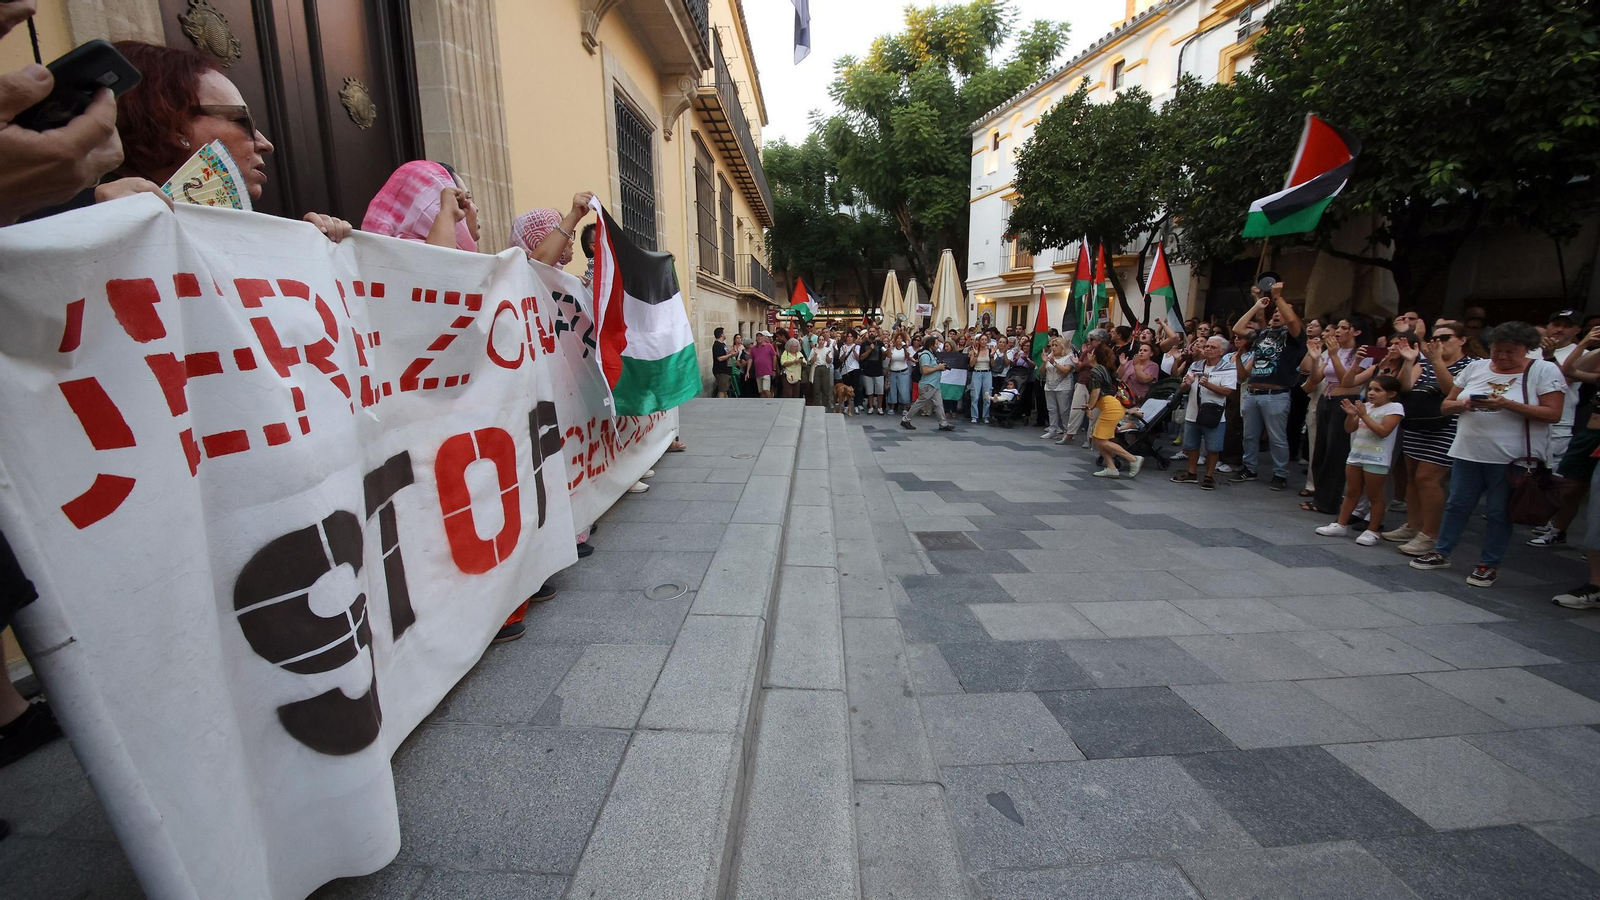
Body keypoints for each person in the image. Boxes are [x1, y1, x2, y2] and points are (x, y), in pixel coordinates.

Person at [111, 41, 350, 240]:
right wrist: (104, 224)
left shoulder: (268, 242)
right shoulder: (102, 223)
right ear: (175, 125)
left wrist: (311, 252)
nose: (266, 144)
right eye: (241, 120)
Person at [1409, 322, 1565, 586]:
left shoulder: (1543, 370)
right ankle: (1441, 551)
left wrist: (1507, 404)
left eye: (1510, 352)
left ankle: (1489, 563)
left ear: (1526, 349)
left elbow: (1553, 413)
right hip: (1468, 451)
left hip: (1511, 458)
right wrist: (1464, 404)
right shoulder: (1476, 367)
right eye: (1497, 350)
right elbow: (1447, 405)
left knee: (1497, 511)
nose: (1502, 356)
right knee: (1457, 504)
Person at [1383, 322, 1477, 555]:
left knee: (1427, 479)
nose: (1439, 343)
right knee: (1412, 478)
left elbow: (1450, 391)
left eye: (1445, 338)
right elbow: (1404, 387)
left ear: (1462, 340)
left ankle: (1430, 534)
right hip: (1418, 424)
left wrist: (1436, 362)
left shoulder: (1471, 365)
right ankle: (1413, 525)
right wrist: (1408, 361)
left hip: (1447, 426)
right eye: (1435, 338)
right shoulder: (1423, 363)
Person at [1529, 322, 1600, 548]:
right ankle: (1558, 530)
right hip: (1590, 434)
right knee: (1570, 486)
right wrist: (1586, 344)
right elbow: (1569, 370)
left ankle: (1594, 543)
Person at [1230, 282, 1306, 490]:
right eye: (1276, 311)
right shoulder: (1262, 334)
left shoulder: (1294, 337)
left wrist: (1278, 297)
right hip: (1253, 393)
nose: (1277, 314)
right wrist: (1257, 306)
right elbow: (1238, 328)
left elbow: (1292, 320)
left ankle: (1280, 473)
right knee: (1249, 436)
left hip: (1276, 394)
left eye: (1282, 311)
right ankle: (1249, 468)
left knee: (1277, 438)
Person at [1314, 375, 1406, 544]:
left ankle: (1372, 530)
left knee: (1375, 496)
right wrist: (1351, 416)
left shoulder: (1395, 408)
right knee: (1351, 492)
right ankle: (1341, 524)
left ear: (1391, 394)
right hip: (1357, 455)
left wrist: (1363, 415)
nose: (1371, 393)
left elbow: (1383, 431)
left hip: (1376, 458)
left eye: (1377, 390)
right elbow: (1349, 429)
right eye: (1370, 389)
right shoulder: (1366, 407)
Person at [1170, 335, 1236, 490]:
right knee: (1191, 445)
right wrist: (1186, 384)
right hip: (1192, 412)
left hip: (1214, 414)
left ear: (1222, 351)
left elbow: (1228, 391)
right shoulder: (1196, 365)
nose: (1208, 349)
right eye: (1207, 346)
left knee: (1213, 447)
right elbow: (1183, 387)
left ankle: (1209, 476)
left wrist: (1208, 385)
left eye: (1213, 347)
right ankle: (1192, 473)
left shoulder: (1228, 368)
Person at [367, 161, 480, 250]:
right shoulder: (405, 251)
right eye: (463, 199)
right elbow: (441, 266)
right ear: (434, 208)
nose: (475, 208)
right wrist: (448, 214)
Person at [1086, 341, 1142, 478]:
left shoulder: (1095, 371)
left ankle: (1133, 459)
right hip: (1113, 406)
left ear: (1094, 356)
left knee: (1100, 440)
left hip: (1110, 408)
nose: (1087, 354)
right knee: (1099, 438)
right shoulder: (1104, 369)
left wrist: (1089, 407)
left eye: (1090, 352)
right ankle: (1111, 467)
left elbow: (1096, 392)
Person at [900, 336, 955, 431]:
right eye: (936, 344)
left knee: (938, 404)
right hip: (928, 384)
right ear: (931, 345)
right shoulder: (925, 355)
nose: (938, 346)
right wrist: (938, 368)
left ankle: (943, 423)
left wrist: (941, 367)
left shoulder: (932, 354)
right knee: (919, 403)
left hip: (934, 384)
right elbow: (925, 370)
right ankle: (906, 419)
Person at [1041, 337, 1077, 442]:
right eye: (1052, 345)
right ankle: (1052, 430)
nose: (1053, 348)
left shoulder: (1069, 356)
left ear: (1063, 347)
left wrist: (1054, 363)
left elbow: (1066, 370)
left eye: (1056, 345)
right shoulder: (1050, 356)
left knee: (1064, 410)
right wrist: (1044, 362)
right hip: (1049, 386)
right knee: (1051, 409)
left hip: (1063, 387)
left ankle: (1067, 432)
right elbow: (1042, 372)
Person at [968, 331, 996, 423]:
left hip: (987, 373)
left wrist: (992, 355)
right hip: (977, 372)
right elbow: (971, 364)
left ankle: (986, 416)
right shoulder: (974, 350)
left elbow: (993, 365)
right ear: (979, 341)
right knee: (975, 396)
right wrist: (976, 354)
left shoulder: (989, 350)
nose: (984, 341)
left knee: (987, 395)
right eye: (982, 339)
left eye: (985, 340)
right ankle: (974, 416)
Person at [859, 328, 886, 414]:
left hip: (878, 370)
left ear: (876, 333)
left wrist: (887, 352)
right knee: (869, 391)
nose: (871, 333)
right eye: (870, 331)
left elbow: (884, 357)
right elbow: (861, 357)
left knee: (880, 391)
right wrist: (869, 350)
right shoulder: (864, 344)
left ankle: (879, 407)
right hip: (867, 370)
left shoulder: (880, 344)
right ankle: (870, 407)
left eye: (873, 331)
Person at [809, 329, 836, 410]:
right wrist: (815, 355)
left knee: (825, 388)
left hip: (825, 368)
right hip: (816, 368)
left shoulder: (827, 350)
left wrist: (827, 356)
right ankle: (817, 405)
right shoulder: (814, 349)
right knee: (816, 388)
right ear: (817, 341)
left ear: (824, 341)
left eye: (822, 340)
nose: (821, 341)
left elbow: (829, 361)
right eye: (819, 340)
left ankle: (825, 405)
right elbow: (811, 361)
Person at [886, 332, 913, 415]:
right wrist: (890, 348)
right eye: (897, 338)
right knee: (892, 390)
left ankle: (905, 408)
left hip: (903, 371)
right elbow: (889, 356)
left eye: (901, 338)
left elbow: (907, 357)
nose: (899, 340)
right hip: (893, 371)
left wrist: (905, 348)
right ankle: (892, 407)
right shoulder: (893, 349)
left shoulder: (905, 349)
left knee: (904, 390)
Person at [749, 331, 778, 397]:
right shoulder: (753, 349)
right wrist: (748, 371)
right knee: (761, 391)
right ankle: (762, 402)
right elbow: (751, 359)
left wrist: (774, 369)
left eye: (761, 336)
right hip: (758, 372)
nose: (759, 338)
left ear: (764, 337)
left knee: (766, 389)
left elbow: (774, 356)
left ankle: (771, 400)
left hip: (767, 371)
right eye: (758, 336)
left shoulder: (769, 346)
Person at [712, 327, 734, 397]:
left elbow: (725, 354)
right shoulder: (717, 345)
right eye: (724, 333)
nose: (725, 334)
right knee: (722, 390)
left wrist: (731, 352)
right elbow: (720, 358)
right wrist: (730, 355)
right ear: (721, 334)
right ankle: (721, 402)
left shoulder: (723, 344)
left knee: (725, 390)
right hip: (721, 371)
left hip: (726, 371)